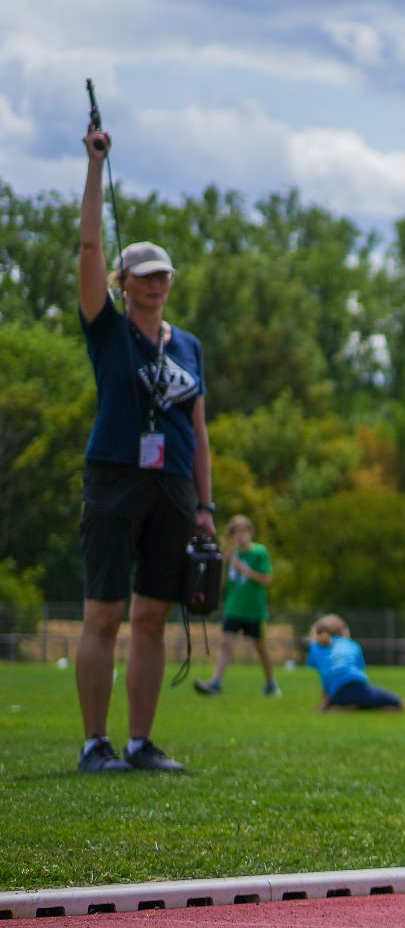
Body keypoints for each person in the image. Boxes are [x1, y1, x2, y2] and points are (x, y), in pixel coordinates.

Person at [72, 118, 213, 773]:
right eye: (144, 275)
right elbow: (90, 246)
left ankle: (139, 742)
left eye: (163, 277)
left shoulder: (187, 347)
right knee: (104, 612)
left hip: (174, 485)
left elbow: (200, 432)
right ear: (125, 283)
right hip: (115, 477)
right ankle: (95, 743)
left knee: (153, 616)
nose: (155, 285)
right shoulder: (107, 330)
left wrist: (206, 505)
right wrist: (97, 165)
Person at [196, 514, 278, 698]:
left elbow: (266, 579)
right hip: (233, 607)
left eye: (244, 531)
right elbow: (223, 584)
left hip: (254, 609)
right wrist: (223, 564)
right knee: (225, 643)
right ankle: (216, 682)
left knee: (260, 647)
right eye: (236, 532)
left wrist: (241, 566)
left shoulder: (259, 552)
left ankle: (271, 683)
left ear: (251, 532)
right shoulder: (231, 555)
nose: (241, 536)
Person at [308, 615, 404, 712]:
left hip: (337, 694)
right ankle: (350, 707)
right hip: (358, 688)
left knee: (357, 698)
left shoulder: (315, 647)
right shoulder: (352, 644)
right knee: (398, 703)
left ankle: (343, 705)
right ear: (344, 630)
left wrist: (325, 700)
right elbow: (357, 671)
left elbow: (325, 676)